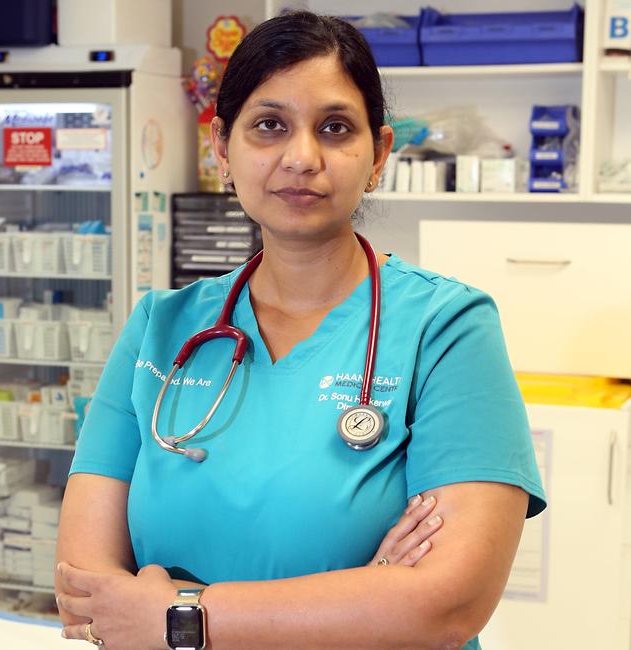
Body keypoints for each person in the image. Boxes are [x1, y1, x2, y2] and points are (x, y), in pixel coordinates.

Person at [55, 11, 546, 650]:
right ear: (221, 147)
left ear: (379, 155)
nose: (302, 157)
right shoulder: (159, 329)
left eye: (336, 128)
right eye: (270, 125)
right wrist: (364, 597)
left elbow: (447, 604)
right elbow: (86, 592)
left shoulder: (447, 329)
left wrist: (182, 619)